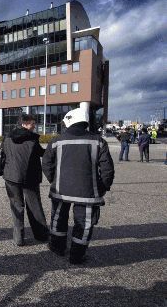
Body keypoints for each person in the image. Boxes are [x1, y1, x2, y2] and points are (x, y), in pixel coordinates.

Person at [42, 107, 114, 264]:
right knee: (84, 224)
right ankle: (76, 256)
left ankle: (57, 248)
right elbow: (107, 169)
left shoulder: (56, 141)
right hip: (88, 194)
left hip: (60, 191)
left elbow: (46, 164)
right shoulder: (98, 141)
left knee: (58, 220)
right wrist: (102, 187)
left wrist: (54, 179)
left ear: (69, 121)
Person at [1, 114, 48, 246]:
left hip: (11, 177)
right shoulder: (33, 139)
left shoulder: (7, 137)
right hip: (30, 178)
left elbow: (3, 154)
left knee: (17, 207)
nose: (34, 126)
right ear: (23, 124)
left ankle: (19, 239)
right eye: (31, 123)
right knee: (35, 207)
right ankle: (41, 235)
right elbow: (41, 153)